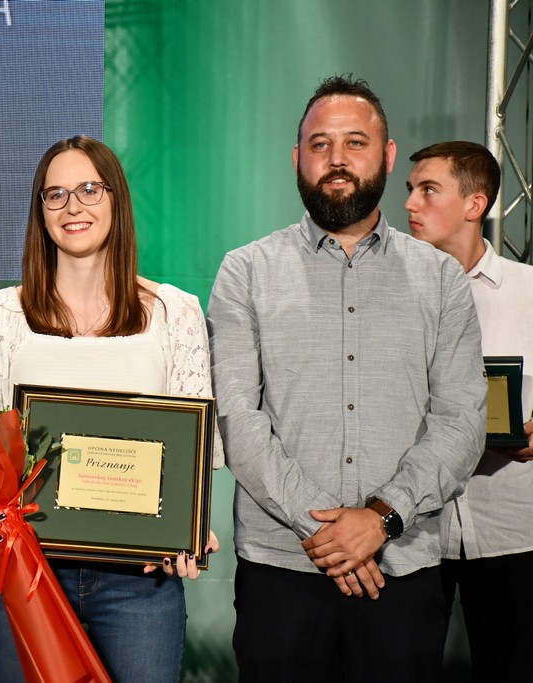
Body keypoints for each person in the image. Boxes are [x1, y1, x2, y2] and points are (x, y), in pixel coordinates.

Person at [207, 76, 487, 683]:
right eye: (319, 145)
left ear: (386, 156)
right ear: (296, 159)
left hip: (403, 570)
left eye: (355, 143)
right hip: (282, 572)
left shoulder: (442, 280)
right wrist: (328, 532)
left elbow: (462, 422)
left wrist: (381, 518)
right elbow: (238, 421)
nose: (336, 160)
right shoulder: (245, 272)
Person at [0, 135, 222, 682]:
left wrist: (190, 524)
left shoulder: (175, 313)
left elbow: (192, 450)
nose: (72, 207)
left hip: (141, 584)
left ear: (116, 201)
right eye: (54, 195)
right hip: (28, 572)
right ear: (39, 211)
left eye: (88, 189)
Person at [405, 140, 533, 681]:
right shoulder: (387, 299)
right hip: (411, 533)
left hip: (512, 532)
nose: (410, 204)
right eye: (409, 190)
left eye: (427, 190)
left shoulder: (529, 292)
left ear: (475, 204)